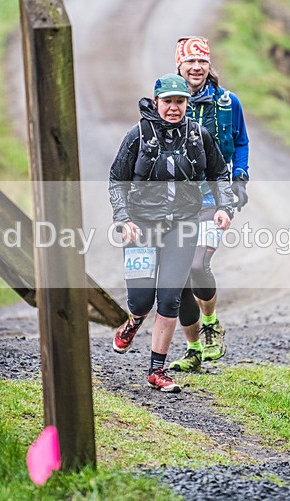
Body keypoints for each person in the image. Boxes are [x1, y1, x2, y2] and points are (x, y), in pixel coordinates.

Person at [108, 73, 236, 392]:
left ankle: (157, 370)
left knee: (169, 297)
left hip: (183, 224)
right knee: (140, 299)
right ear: (156, 102)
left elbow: (219, 171)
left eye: (180, 101)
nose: (174, 108)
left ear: (186, 103)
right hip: (142, 224)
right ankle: (134, 320)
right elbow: (116, 179)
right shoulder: (137, 134)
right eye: (168, 102)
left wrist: (224, 206)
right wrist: (124, 218)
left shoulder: (198, 135)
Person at [168, 36, 251, 373]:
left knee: (198, 265)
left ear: (208, 65)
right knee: (180, 277)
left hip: (214, 198)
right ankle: (192, 350)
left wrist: (240, 180)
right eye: (190, 62)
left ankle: (212, 323)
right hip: (175, 201)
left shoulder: (228, 103)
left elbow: (242, 141)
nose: (197, 67)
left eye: (202, 62)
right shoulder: (169, 102)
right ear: (180, 66)